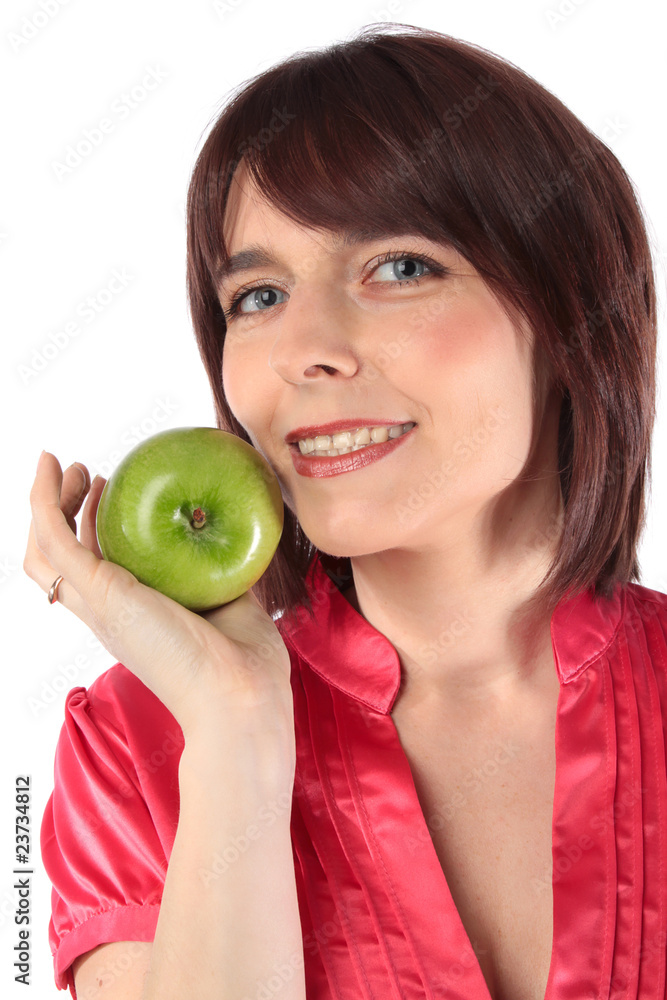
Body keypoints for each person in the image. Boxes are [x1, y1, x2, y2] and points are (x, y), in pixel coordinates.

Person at [24, 21, 667, 1000]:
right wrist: (235, 735)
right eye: (259, 295)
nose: (302, 350)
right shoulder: (141, 743)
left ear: (568, 312)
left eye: (400, 267)